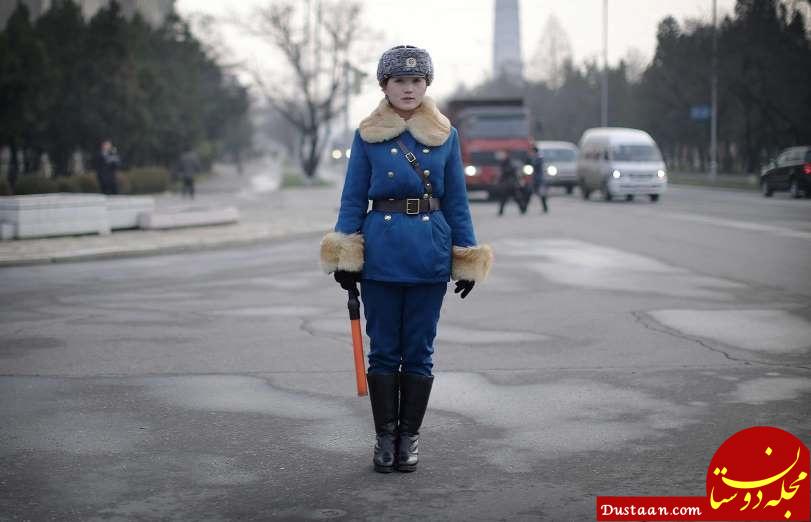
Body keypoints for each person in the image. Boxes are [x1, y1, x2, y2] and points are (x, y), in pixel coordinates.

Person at [320, 45, 493, 474]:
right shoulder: (366, 135)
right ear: (385, 85)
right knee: (384, 351)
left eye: (417, 81)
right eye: (400, 80)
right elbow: (353, 198)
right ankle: (384, 439)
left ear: (427, 84)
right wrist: (346, 254)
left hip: (430, 255)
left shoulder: (445, 134)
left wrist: (466, 256)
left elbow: (456, 202)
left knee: (418, 351)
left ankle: (409, 439)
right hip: (381, 254)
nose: (409, 88)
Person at [496, 150, 528, 216]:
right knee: (505, 199)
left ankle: (523, 209)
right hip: (508, 184)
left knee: (515, 198)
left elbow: (508, 173)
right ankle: (522, 209)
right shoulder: (504, 162)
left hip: (510, 184)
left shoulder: (509, 163)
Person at [531, 145, 549, 213]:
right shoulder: (534, 157)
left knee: (541, 193)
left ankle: (545, 207)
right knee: (539, 193)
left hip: (539, 179)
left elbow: (535, 164)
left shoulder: (538, 158)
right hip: (535, 178)